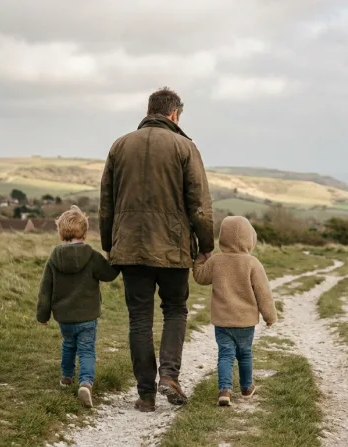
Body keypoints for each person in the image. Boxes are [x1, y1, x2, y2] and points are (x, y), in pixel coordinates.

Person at [100, 87, 214, 412]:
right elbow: (200, 206)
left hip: (130, 248)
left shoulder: (119, 146)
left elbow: (106, 204)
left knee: (139, 318)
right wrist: (206, 245)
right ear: (175, 114)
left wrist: (110, 245)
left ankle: (146, 395)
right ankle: (169, 376)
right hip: (173, 249)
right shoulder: (185, 147)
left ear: (150, 110)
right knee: (175, 310)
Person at [36, 205, 120, 407]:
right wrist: (112, 259)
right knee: (87, 350)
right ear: (85, 232)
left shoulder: (54, 257)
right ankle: (85, 383)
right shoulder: (91, 255)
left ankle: (66, 377)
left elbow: (45, 288)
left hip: (64, 316)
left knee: (68, 345)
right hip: (87, 316)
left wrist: (43, 315)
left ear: (61, 231)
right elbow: (109, 275)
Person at [193, 216, 277, 406]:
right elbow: (263, 294)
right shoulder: (253, 263)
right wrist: (270, 316)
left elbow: (200, 276)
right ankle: (247, 388)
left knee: (225, 354)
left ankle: (225, 391)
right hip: (246, 322)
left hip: (222, 321)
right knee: (245, 353)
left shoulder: (216, 261)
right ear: (250, 238)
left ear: (223, 237)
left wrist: (200, 259)